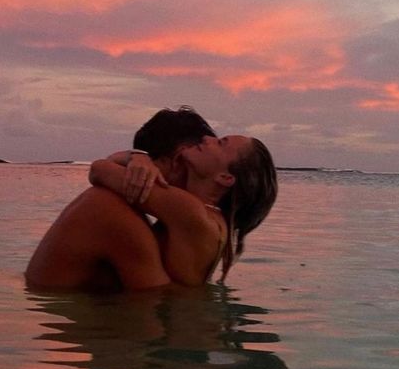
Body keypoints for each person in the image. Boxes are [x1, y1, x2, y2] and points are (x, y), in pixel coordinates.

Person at [25, 107, 277, 291]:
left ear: (224, 177)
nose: (208, 140)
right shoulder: (211, 219)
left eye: (220, 143)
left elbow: (100, 169)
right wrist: (138, 157)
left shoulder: (188, 210)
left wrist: (136, 158)